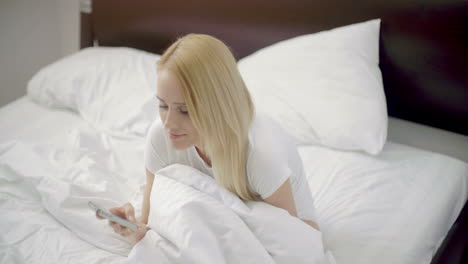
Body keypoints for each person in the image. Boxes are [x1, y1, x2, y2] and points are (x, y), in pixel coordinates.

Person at [99, 33, 320, 246]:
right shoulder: (160, 137)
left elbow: (291, 243)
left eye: (184, 111)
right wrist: (134, 228)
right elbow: (148, 226)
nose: (169, 123)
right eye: (163, 106)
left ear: (218, 106)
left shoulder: (261, 154)